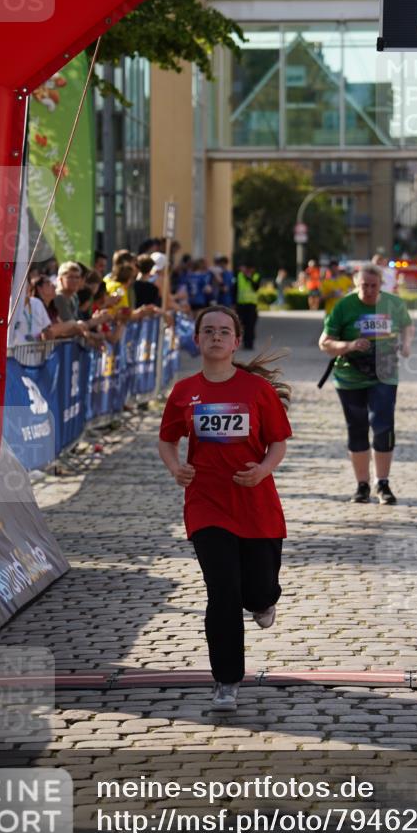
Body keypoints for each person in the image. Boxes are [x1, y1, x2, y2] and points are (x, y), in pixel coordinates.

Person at [158, 305, 292, 712]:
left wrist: (263, 470)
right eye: (208, 331)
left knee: (257, 590)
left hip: (256, 504)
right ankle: (226, 681)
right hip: (207, 504)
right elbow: (167, 439)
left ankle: (265, 600)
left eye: (224, 331)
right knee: (222, 591)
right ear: (197, 340)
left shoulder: (257, 390)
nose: (216, 337)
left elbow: (278, 442)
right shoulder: (183, 392)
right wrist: (176, 468)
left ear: (236, 341)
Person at [318, 262, 414, 505]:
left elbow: (407, 325)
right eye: (364, 286)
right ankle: (362, 486)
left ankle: (382, 483)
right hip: (350, 376)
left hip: (384, 373)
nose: (369, 290)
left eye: (374, 286)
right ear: (356, 284)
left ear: (382, 284)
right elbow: (325, 342)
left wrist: (406, 344)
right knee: (358, 428)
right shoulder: (344, 306)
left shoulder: (394, 304)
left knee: (383, 426)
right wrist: (349, 346)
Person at [236, 263, 260, 349]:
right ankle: (243, 343)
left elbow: (256, 287)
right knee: (241, 324)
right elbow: (235, 289)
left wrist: (249, 278)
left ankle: (250, 343)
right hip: (241, 304)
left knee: (251, 325)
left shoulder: (256, 276)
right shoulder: (239, 276)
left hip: (251, 305)